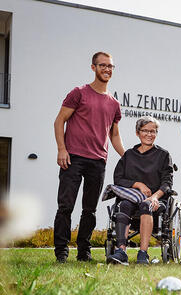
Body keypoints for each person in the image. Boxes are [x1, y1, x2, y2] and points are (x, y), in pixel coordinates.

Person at [53, 51, 125, 263]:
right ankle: (61, 252)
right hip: (73, 157)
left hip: (98, 161)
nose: (107, 69)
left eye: (110, 66)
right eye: (102, 65)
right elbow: (59, 121)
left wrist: (128, 157)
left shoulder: (114, 103)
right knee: (65, 206)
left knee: (90, 210)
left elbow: (114, 135)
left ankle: (84, 251)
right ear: (93, 67)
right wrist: (61, 149)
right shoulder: (79, 93)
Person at [106, 116, 173, 265]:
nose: (149, 134)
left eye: (153, 131)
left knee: (145, 205)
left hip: (155, 201)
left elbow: (167, 183)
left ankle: (143, 254)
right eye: (145, 131)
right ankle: (121, 251)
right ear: (137, 133)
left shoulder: (163, 155)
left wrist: (154, 197)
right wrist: (138, 184)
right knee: (123, 205)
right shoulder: (129, 155)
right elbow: (118, 179)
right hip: (131, 199)